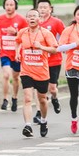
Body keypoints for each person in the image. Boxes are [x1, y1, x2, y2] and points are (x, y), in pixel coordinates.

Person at [16, 9, 59, 137]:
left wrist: (41, 47)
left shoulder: (46, 33)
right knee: (27, 98)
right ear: (26, 19)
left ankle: (44, 120)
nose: (32, 18)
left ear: (39, 18)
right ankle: (28, 125)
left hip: (41, 72)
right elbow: (17, 42)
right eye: (29, 16)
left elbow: (54, 50)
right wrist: (17, 52)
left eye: (34, 16)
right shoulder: (22, 32)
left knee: (42, 100)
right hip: (26, 70)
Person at [0, 0, 27, 112]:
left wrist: (16, 32)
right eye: (7, 4)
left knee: (15, 77)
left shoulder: (21, 20)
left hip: (17, 53)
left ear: (15, 6)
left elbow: (26, 35)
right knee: (6, 75)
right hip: (5, 52)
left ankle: (14, 97)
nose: (9, 7)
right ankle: (5, 99)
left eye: (11, 4)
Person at [37, 0, 66, 116]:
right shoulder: (35, 23)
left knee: (52, 88)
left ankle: (54, 98)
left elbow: (64, 36)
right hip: (39, 61)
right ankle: (39, 111)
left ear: (50, 9)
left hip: (54, 60)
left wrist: (62, 47)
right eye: (40, 7)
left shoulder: (56, 22)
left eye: (45, 7)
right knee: (39, 89)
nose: (43, 10)